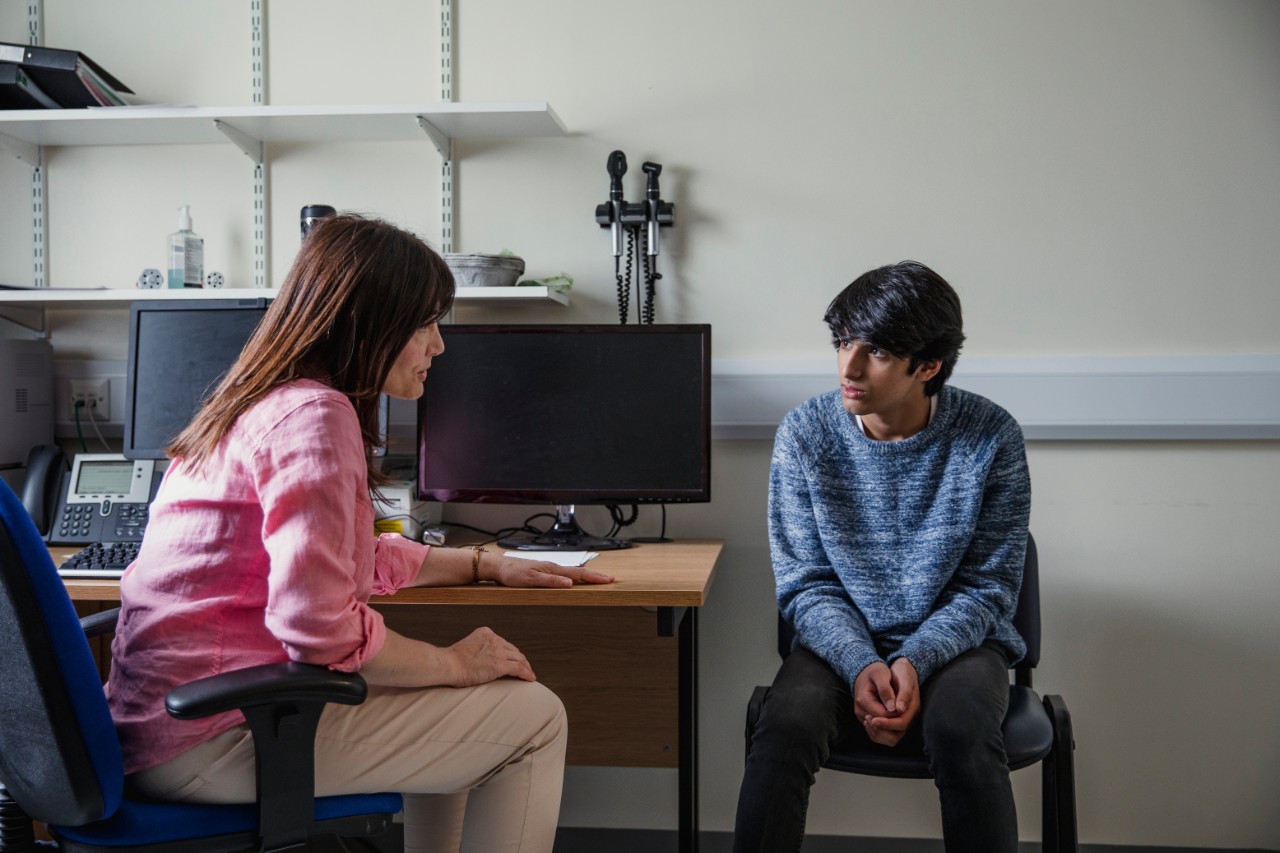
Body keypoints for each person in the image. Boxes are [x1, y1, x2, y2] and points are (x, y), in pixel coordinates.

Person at [105, 213, 614, 853]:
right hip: (215, 739)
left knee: (452, 700)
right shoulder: (315, 415)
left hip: (167, 725)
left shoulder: (255, 405)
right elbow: (317, 629)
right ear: (365, 323)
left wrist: (484, 565)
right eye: (424, 323)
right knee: (534, 714)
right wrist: (455, 664)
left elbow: (343, 559)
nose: (439, 346)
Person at [733, 261, 1031, 853]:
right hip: (838, 637)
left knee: (961, 729)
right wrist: (862, 661)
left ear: (928, 366)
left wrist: (914, 660)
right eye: (843, 342)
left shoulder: (991, 435)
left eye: (876, 352)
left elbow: (989, 588)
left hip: (961, 643)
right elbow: (805, 583)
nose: (848, 366)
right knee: (785, 727)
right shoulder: (805, 433)